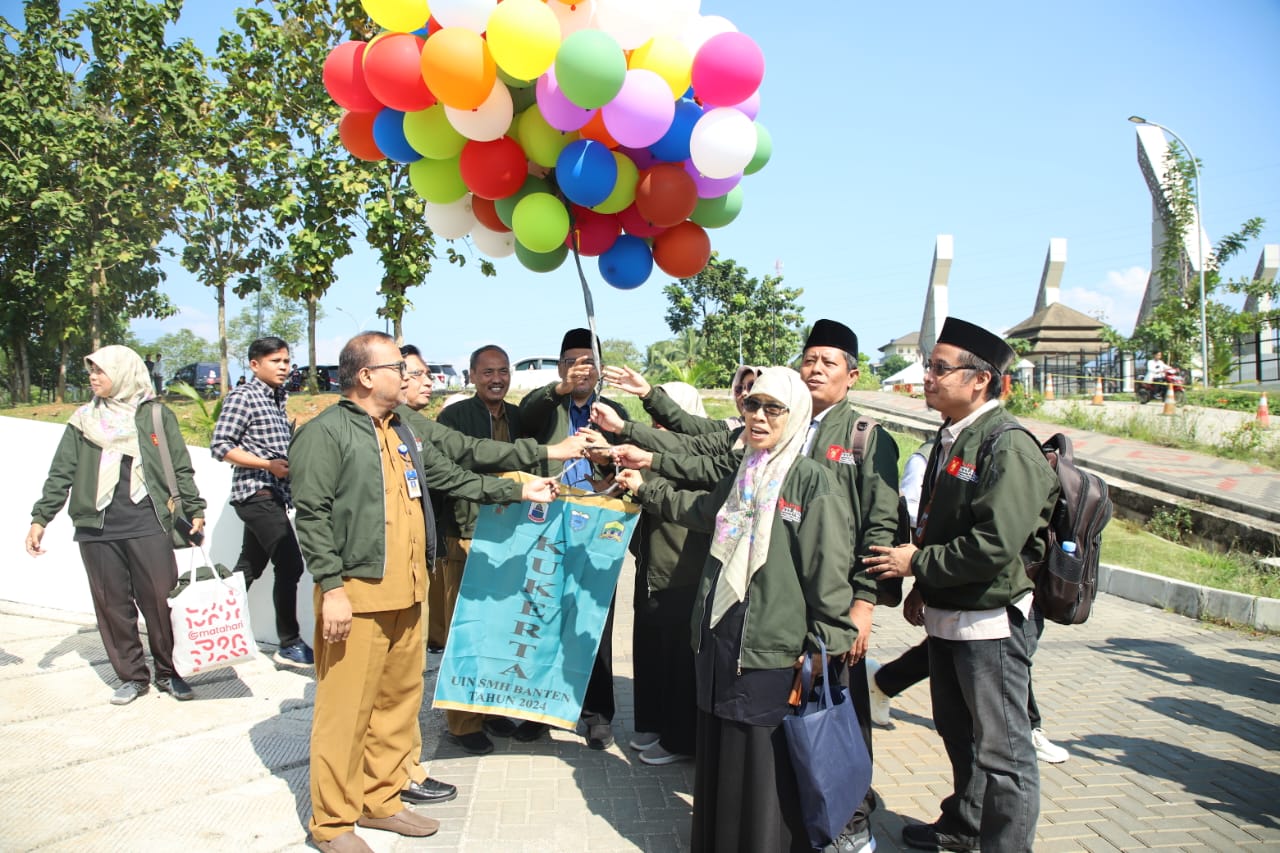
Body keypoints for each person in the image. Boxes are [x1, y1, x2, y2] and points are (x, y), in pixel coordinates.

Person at [596, 319, 899, 851]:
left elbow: (828, 571)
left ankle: (839, 825)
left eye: (772, 408)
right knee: (724, 751)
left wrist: (838, 632)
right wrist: (644, 483)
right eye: (752, 406)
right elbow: (703, 505)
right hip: (727, 631)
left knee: (781, 754)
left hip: (779, 639)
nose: (758, 416)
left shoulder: (817, 475)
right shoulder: (748, 469)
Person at [290, 332, 560, 852]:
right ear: (367, 376)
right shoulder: (325, 433)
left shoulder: (402, 431)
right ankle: (332, 823)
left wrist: (518, 488)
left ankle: (383, 799)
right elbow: (313, 517)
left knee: (396, 704)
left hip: (410, 589)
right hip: (357, 594)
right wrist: (332, 590)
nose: (417, 378)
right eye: (400, 368)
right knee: (346, 712)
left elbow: (454, 477)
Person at [866, 317, 1059, 852]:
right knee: (959, 733)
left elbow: (995, 544)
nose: (928, 376)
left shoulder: (1007, 445)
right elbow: (941, 520)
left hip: (991, 624)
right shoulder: (954, 436)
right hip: (952, 616)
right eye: (929, 365)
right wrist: (924, 588)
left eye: (940, 368)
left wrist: (918, 565)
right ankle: (964, 825)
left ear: (979, 379)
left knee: (1004, 752)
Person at [26, 345, 206, 705]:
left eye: (100, 371)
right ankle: (132, 677)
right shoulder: (83, 421)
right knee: (112, 605)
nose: (93, 377)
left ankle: (169, 673)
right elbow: (61, 472)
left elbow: (180, 466)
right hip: (97, 526)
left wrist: (195, 507)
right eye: (91, 371)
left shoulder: (156, 416)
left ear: (123, 373)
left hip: (148, 520)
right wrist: (41, 517)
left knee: (160, 602)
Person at [518, 327, 630, 750]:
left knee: (593, 621)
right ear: (561, 366)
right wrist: (557, 388)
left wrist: (607, 451)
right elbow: (525, 416)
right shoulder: (547, 407)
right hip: (547, 523)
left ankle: (597, 715)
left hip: (600, 525)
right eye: (572, 361)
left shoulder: (613, 411)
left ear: (599, 368)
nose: (581, 369)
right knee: (543, 615)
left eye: (588, 361)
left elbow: (628, 461)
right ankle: (536, 708)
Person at [211, 337, 313, 669]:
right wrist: (266, 465)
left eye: (286, 361)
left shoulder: (277, 399)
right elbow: (220, 446)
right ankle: (289, 642)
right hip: (256, 493)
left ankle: (213, 632)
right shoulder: (244, 396)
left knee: (248, 569)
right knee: (291, 565)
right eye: (276, 361)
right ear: (255, 365)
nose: (284, 367)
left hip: (274, 495)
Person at [628, 381, 709, 766]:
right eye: (653, 420)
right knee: (651, 652)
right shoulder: (651, 450)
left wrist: (644, 482)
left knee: (680, 663)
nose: (657, 427)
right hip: (650, 568)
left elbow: (683, 502)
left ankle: (679, 740)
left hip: (682, 571)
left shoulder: (702, 456)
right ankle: (655, 724)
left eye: (666, 417)